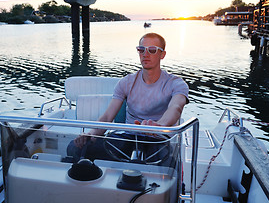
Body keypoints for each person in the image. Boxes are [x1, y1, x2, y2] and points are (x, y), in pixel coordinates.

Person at [67, 32, 189, 163]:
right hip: (129, 136)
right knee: (75, 148)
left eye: (152, 50)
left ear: (162, 55)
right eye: (141, 49)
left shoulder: (176, 83)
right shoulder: (126, 82)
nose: (145, 54)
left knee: (168, 163)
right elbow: (108, 117)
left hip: (158, 138)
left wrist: (159, 126)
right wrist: (90, 134)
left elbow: (176, 108)